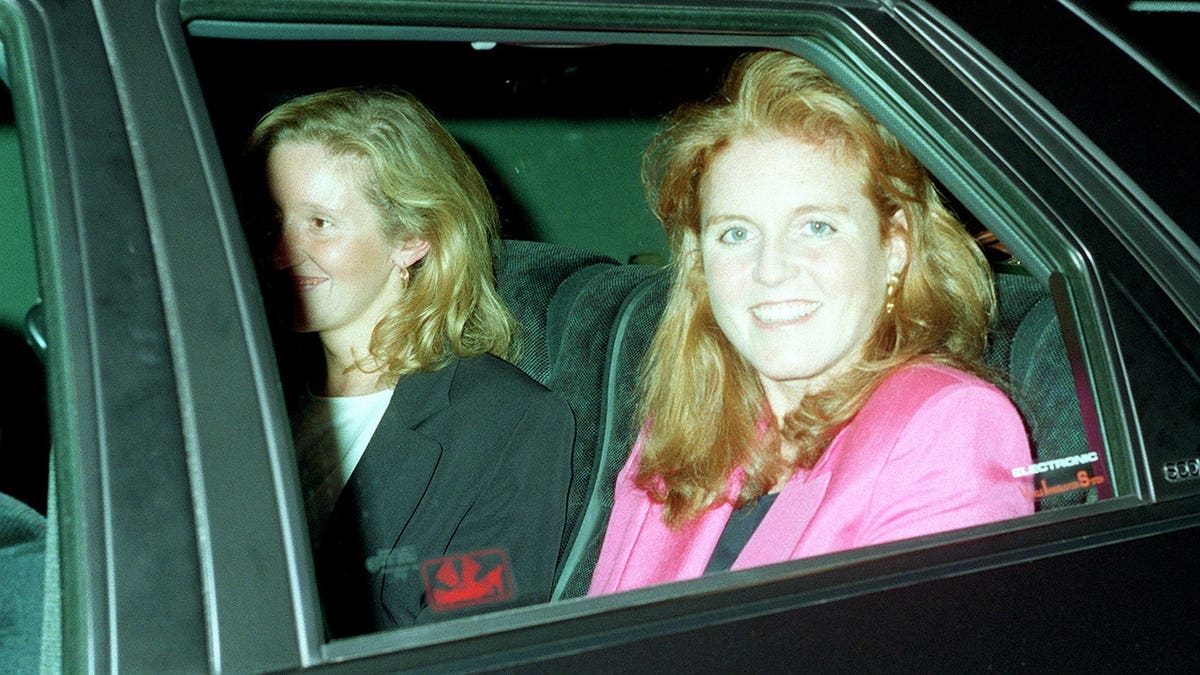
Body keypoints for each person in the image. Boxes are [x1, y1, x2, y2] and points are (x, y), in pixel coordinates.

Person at [589, 51, 1034, 594]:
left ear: (894, 246)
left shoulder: (950, 424)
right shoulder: (686, 423)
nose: (770, 270)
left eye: (816, 227)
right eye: (736, 233)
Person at [245, 87, 574, 636]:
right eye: (275, 218)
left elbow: (467, 646)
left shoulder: (507, 423)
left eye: (320, 222)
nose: (282, 251)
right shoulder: (248, 390)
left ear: (412, 239)